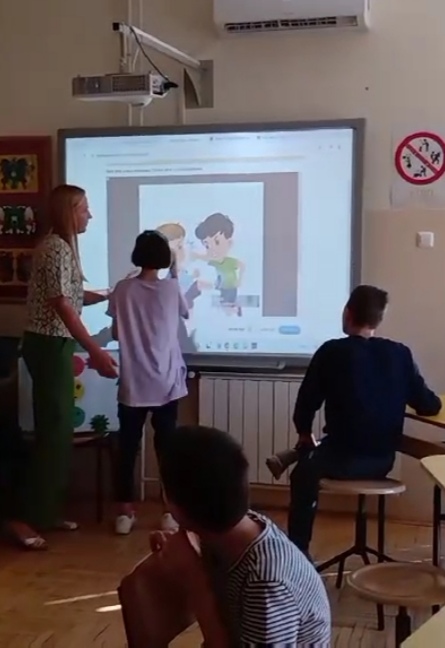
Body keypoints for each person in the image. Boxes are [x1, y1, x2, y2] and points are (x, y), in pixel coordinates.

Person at [281, 285, 441, 558]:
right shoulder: (400, 354)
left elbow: (306, 401)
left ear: (348, 313)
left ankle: (299, 552)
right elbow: (428, 405)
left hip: (341, 459)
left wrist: (304, 432)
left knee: (302, 474)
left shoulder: (331, 352)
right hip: (383, 461)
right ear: (379, 318)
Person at [150, 425, 331, 647]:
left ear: (177, 508)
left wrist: (196, 580)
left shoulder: (266, 583)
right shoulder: (239, 526)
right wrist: (181, 548)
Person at [12, 184, 117, 550]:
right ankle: (23, 518)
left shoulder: (63, 248)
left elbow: (72, 296)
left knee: (59, 434)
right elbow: (63, 306)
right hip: (48, 344)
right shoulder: (55, 248)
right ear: (68, 212)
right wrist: (95, 351)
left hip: (55, 344)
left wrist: (108, 293)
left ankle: (44, 512)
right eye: (84, 209)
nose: (89, 215)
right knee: (52, 434)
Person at [108, 230, 188, 536]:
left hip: (133, 382)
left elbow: (116, 333)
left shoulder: (123, 289)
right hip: (167, 383)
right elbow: (184, 312)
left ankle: (124, 513)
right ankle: (169, 511)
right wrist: (176, 272)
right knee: (167, 450)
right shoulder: (171, 288)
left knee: (127, 448)